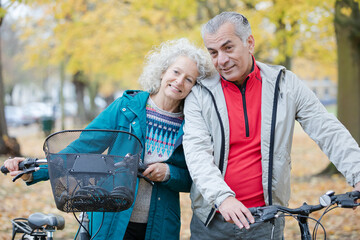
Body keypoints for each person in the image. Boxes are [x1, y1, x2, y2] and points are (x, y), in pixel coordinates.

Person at [4, 38, 215, 240]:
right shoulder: (126, 107)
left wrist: (169, 173)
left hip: (161, 224)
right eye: (176, 72)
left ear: (195, 86)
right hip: (112, 217)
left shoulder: (193, 123)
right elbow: (83, 148)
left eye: (189, 79)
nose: (179, 81)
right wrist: (33, 171)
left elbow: (196, 176)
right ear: (163, 72)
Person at [182, 11, 360, 239]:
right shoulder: (200, 94)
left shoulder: (285, 84)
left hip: (268, 220)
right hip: (214, 220)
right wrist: (223, 198)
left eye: (228, 48)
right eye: (213, 53)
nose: (221, 60)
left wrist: (357, 172)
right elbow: (196, 152)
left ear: (250, 43)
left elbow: (326, 129)